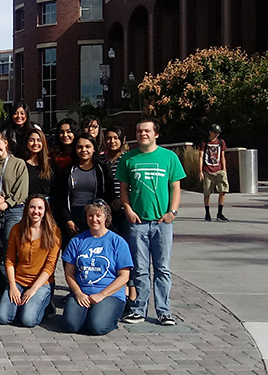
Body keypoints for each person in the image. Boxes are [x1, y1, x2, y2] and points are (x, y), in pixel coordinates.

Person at [117, 117, 185, 326]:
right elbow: (123, 188)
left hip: (162, 223)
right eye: (139, 131)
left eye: (146, 131)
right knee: (140, 268)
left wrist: (172, 212)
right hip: (138, 222)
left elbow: (175, 187)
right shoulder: (128, 158)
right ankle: (139, 309)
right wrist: (127, 209)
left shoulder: (169, 157)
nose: (142, 134)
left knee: (162, 268)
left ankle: (164, 311)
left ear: (156, 133)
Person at [62, 202, 133, 335]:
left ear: (106, 217)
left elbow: (124, 276)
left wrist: (102, 295)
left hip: (109, 293)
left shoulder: (117, 242)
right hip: (83, 292)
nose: (94, 219)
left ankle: (109, 318)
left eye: (98, 216)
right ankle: (89, 315)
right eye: (90, 215)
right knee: (71, 325)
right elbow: (69, 273)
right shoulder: (77, 241)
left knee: (97, 327)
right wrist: (78, 293)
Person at [0, 195, 60, 328]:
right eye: (32, 207)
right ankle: (25, 305)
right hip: (19, 280)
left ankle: (45, 305)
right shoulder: (16, 229)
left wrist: (33, 289)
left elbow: (50, 266)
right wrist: (13, 286)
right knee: (3, 317)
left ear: (45, 211)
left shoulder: (54, 231)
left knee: (28, 320)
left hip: (42, 283)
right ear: (26, 209)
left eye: (40, 208)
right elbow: (9, 259)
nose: (35, 211)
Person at [51, 134, 112, 238]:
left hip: (96, 215)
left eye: (87, 146)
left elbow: (109, 194)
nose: (83, 150)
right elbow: (61, 197)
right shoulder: (67, 171)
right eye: (79, 147)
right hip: (74, 215)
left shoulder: (102, 169)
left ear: (94, 149)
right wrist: (68, 220)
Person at [200, 124, 230, 222]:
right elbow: (200, 157)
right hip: (208, 170)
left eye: (218, 133)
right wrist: (200, 171)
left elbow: (222, 156)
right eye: (215, 132)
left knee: (223, 190)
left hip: (219, 170)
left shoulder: (221, 142)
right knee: (207, 192)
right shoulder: (204, 142)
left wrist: (224, 170)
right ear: (210, 132)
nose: (216, 134)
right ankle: (207, 214)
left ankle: (220, 213)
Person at [25, 128, 55, 199]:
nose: (35, 143)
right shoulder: (22, 165)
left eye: (39, 140)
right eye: (31, 140)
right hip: (29, 202)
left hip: (48, 202)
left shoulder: (51, 163)